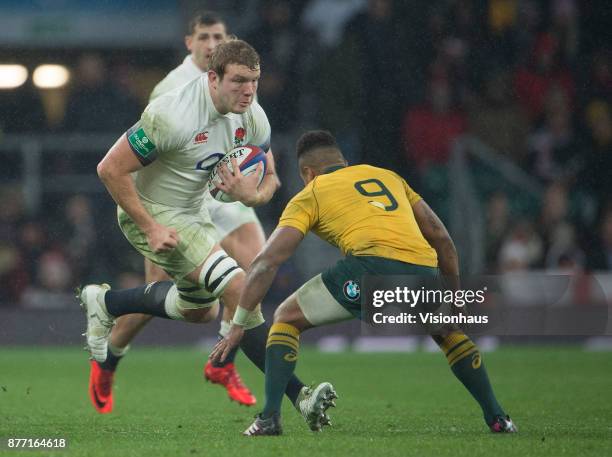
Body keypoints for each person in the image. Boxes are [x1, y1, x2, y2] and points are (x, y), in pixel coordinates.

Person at [80, 41, 329, 429]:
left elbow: (271, 175)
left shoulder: (252, 116)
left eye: (255, 82)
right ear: (213, 78)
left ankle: (107, 302)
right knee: (239, 286)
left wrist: (254, 194)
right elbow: (110, 169)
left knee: (201, 311)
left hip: (196, 214)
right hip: (153, 213)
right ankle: (301, 396)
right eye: (239, 81)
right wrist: (150, 226)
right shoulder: (172, 115)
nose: (248, 91)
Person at [210, 130, 517, 436]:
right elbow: (441, 237)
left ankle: (269, 419)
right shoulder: (389, 177)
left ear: (308, 172)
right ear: (344, 162)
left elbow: (267, 261)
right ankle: (498, 418)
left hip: (370, 267)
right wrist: (452, 297)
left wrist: (239, 323)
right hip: (423, 266)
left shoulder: (311, 193)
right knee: (448, 333)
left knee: (286, 318)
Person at [88, 12, 267, 412]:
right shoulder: (170, 92)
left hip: (221, 191)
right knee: (178, 302)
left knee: (254, 274)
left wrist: (250, 193)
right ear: (190, 43)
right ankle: (110, 355)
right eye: (203, 36)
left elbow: (263, 163)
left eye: (218, 35)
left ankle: (222, 362)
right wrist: (152, 225)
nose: (210, 43)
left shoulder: (241, 85)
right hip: (172, 198)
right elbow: (138, 160)